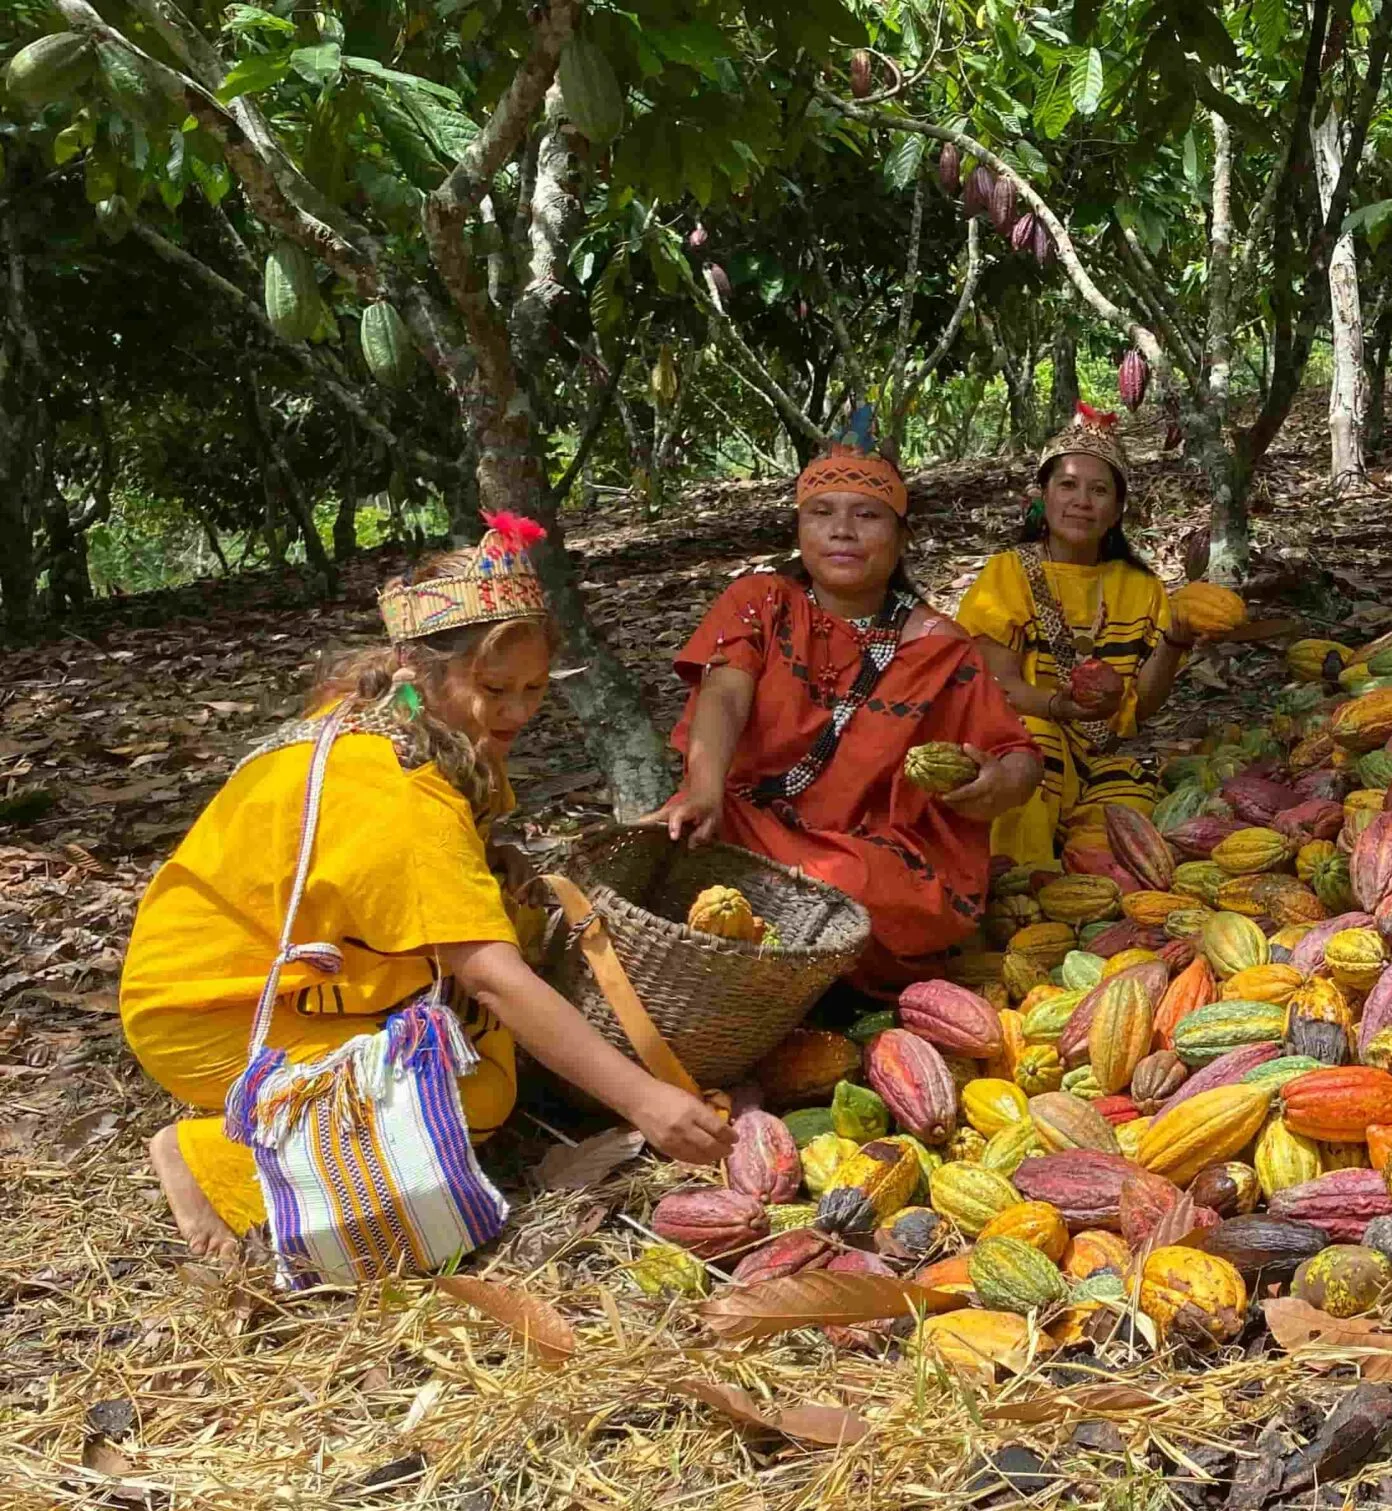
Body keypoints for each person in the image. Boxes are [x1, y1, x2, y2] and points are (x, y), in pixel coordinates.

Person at [122, 516, 734, 1260]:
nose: (517, 712)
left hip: (298, 969)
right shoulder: (401, 791)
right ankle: (207, 1160)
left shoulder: (413, 722)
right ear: (421, 669)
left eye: (535, 688)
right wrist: (645, 1101)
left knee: (492, 1056)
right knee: (474, 1099)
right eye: (494, 688)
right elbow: (491, 977)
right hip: (212, 1007)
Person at [652, 424, 1043, 988]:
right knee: (675, 845)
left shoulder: (939, 646)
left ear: (902, 537)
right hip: (749, 821)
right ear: (799, 529)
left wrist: (997, 783)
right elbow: (725, 693)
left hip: (871, 853)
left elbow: (1017, 754)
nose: (842, 530)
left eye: (867, 515)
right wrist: (704, 790)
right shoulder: (760, 601)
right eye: (821, 513)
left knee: (850, 889)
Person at [957, 403, 1203, 870]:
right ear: (1042, 496)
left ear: (1118, 509)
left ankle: (1076, 881)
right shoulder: (1008, 574)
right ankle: (1018, 878)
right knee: (1035, 746)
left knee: (1127, 825)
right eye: (1067, 485)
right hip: (1031, 742)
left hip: (1101, 756)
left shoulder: (1141, 587)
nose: (1082, 501)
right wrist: (1059, 707)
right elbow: (998, 688)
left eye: (1099, 490)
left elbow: (1139, 710)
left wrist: (1174, 642)